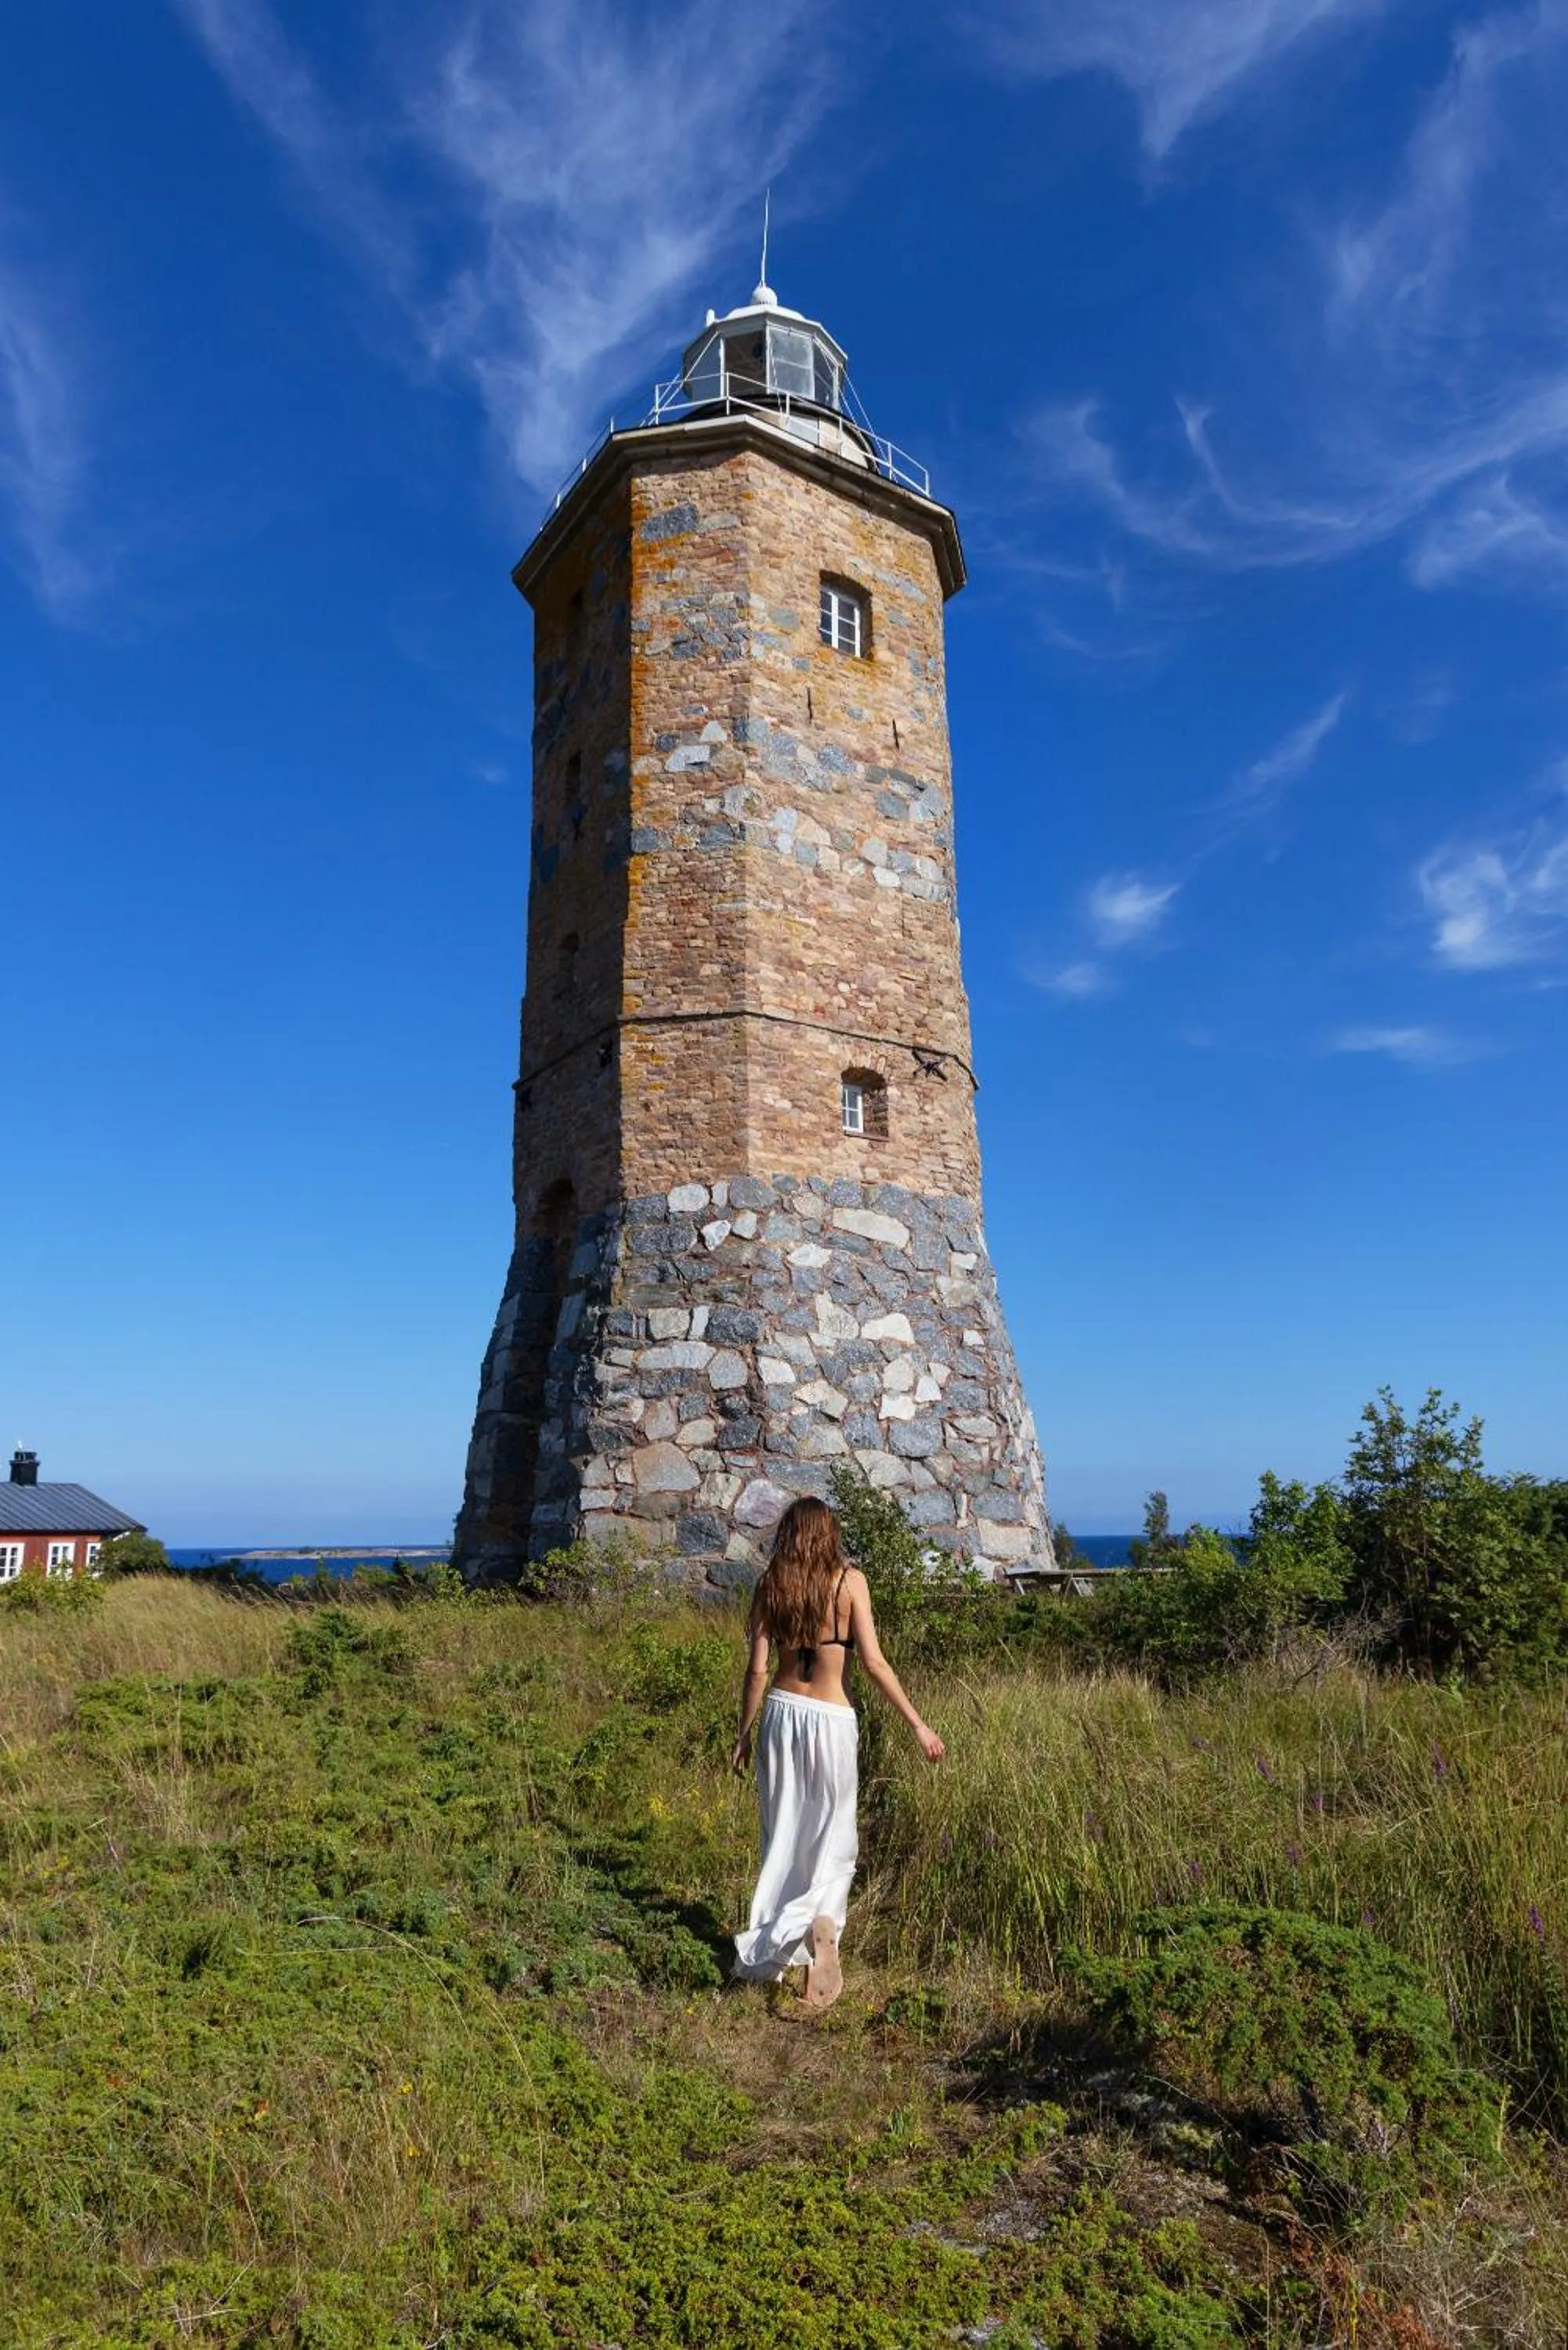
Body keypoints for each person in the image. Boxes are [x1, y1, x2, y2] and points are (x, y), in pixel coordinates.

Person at [729, 1495, 945, 2008]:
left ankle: (778, 1947)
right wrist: (918, 1724)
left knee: (783, 1835)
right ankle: (820, 1925)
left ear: (788, 1533)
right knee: (834, 1836)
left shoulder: (771, 1585)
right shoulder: (850, 1583)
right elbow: (873, 1663)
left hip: (781, 1715)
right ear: (830, 1534)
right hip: (832, 1718)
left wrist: (742, 1733)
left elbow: (758, 1670)